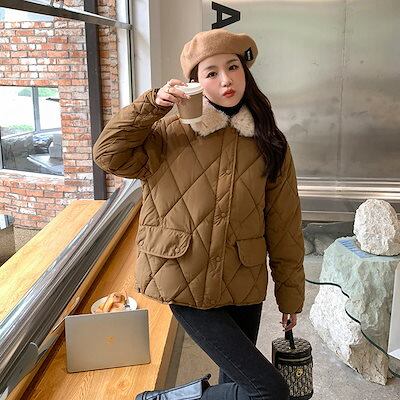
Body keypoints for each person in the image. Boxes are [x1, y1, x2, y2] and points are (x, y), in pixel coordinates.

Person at [93, 29, 305, 400]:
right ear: (194, 83)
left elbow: (284, 225)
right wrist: (152, 104)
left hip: (243, 280)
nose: (226, 80)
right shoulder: (167, 132)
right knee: (269, 391)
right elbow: (107, 154)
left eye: (233, 67)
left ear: (245, 71)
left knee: (236, 387)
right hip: (183, 276)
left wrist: (290, 297)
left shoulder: (269, 141)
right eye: (211, 72)